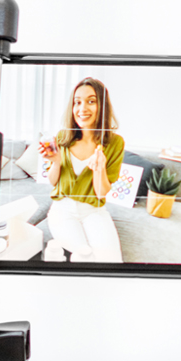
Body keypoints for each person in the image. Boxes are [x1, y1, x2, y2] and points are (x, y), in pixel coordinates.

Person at [41, 77, 126, 262]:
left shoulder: (114, 142)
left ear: (102, 106)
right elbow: (53, 182)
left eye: (91, 101)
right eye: (77, 102)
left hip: (93, 211)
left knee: (111, 260)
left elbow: (101, 192)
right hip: (62, 211)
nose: (82, 109)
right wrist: (56, 161)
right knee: (85, 257)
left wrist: (100, 168)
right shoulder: (63, 137)